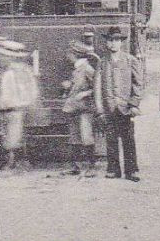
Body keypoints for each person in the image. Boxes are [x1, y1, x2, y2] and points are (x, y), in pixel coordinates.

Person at [95, 27, 145, 181]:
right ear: (106, 42)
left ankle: (132, 170)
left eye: (116, 40)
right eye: (110, 40)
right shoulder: (102, 62)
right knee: (111, 139)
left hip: (126, 107)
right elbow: (97, 87)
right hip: (109, 107)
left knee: (128, 139)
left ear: (121, 42)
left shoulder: (130, 60)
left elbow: (138, 84)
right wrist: (100, 109)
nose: (113, 44)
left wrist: (134, 103)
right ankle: (113, 169)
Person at [0, 39, 38, 173]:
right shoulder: (9, 72)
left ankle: (13, 164)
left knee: (13, 137)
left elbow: (30, 90)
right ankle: (16, 163)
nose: (0, 58)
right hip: (7, 108)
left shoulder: (19, 72)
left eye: (3, 56)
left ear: (11, 57)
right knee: (10, 135)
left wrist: (23, 103)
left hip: (15, 108)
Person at [60, 37, 99, 176]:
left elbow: (98, 86)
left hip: (85, 108)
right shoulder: (76, 69)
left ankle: (91, 166)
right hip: (74, 108)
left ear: (75, 54)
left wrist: (84, 94)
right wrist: (68, 87)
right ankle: (75, 167)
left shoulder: (87, 68)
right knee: (74, 137)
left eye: (69, 54)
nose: (67, 56)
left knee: (86, 137)